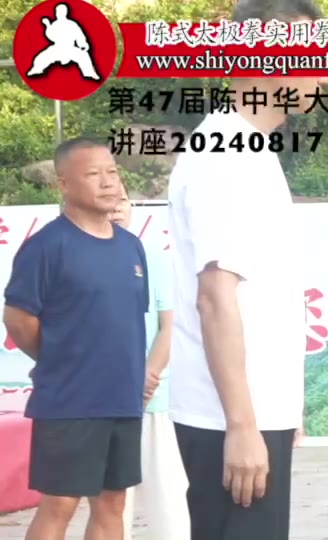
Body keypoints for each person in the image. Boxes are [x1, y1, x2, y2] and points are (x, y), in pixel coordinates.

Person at [164, 0, 328, 538]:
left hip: (251, 411)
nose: (325, 73)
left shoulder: (250, 150)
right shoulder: (226, 153)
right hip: (228, 419)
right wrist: (241, 424)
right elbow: (215, 297)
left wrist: (280, 408)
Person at [2, 137, 148, 540]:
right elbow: (18, 318)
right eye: (93, 174)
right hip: (70, 400)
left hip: (122, 399)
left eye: (112, 172)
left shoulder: (131, 247)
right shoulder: (47, 246)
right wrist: (58, 357)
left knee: (113, 503)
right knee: (60, 505)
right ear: (63, 184)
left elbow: (126, 321)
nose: (108, 182)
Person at [109, 185, 190, 540]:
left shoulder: (152, 258)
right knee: (112, 503)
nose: (116, 208)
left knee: (169, 499)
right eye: (108, 200)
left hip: (153, 399)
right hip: (104, 401)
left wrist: (147, 377)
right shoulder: (77, 260)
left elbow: (169, 326)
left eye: (122, 200)